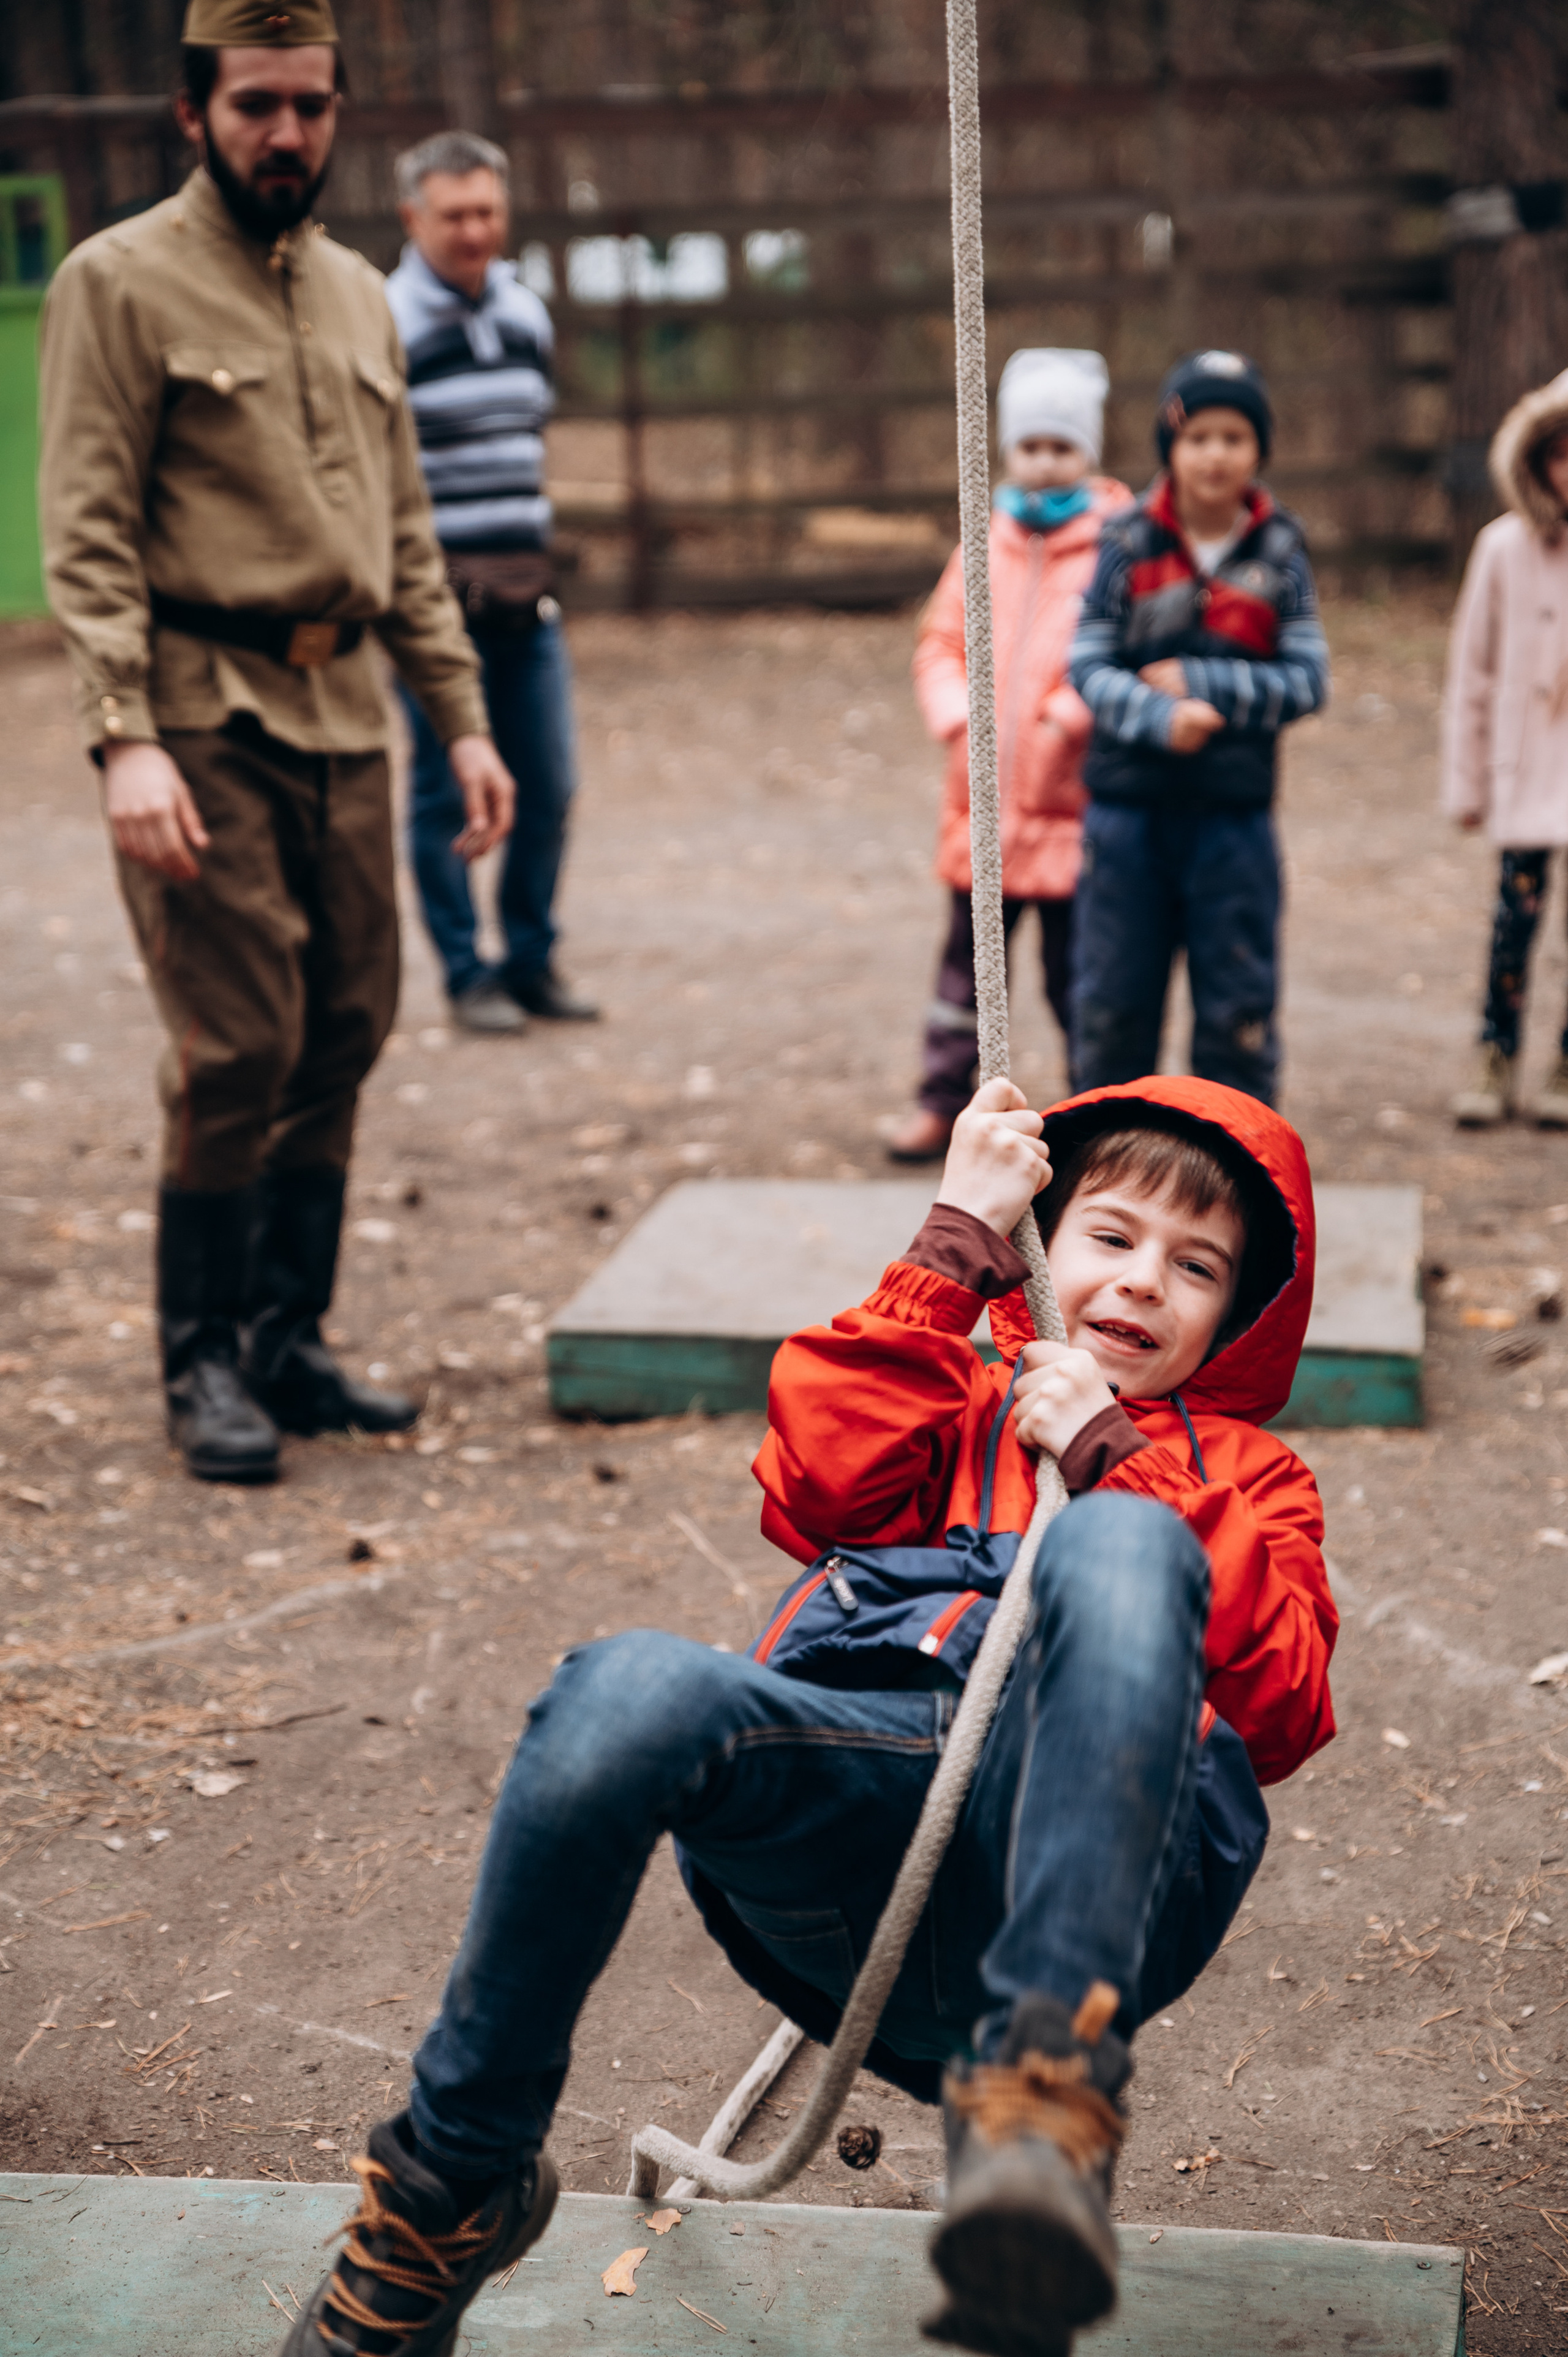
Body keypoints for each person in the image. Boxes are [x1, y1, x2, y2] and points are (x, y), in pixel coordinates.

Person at [277, 1071, 1336, 2357]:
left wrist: (1117, 1459)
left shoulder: (1252, 1478)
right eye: (1107, 1237)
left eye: (1194, 1267)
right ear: (1044, 1249)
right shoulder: (955, 1395)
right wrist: (952, 1240)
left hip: (1091, 1874)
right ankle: (452, 2185)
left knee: (1121, 1548)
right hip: (861, 1825)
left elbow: (1281, 1703)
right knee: (621, 1687)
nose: (1138, 1283)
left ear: (1232, 1318)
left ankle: (1039, 2110)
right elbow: (812, 1474)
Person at [37, 0, 515, 1486]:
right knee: (237, 1038)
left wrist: (464, 715)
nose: (286, 133)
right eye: (255, 105)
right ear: (195, 114)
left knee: (348, 1022)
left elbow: (409, 533)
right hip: (199, 710)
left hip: (340, 711)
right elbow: (90, 529)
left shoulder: (364, 295)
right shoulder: (115, 282)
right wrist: (123, 737)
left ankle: (286, 1339)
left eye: (309, 105)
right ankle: (201, 1366)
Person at [1066, 352, 1330, 1106]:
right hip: (1127, 819)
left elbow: (1308, 680)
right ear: (1170, 448)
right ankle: (1105, 1175)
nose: (1215, 455)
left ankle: (1237, 1184)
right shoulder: (1125, 543)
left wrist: (1203, 684)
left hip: (1233, 822)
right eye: (1198, 437)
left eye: (1234, 437)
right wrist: (1158, 717)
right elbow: (1086, 663)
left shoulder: (1280, 551)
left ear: (1258, 451)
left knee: (1236, 1014)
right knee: (1113, 1008)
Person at [888, 350, 1131, 1162]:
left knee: (1077, 977)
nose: (1045, 462)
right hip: (982, 808)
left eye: (1063, 447)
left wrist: (1070, 713)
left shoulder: (1112, 548)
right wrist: (957, 717)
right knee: (964, 973)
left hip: (1070, 810)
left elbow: (1118, 653)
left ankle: (1092, 1112)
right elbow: (939, 643)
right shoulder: (981, 542)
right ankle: (942, 1099)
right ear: (1008, 451)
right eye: (1031, 446)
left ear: (1089, 454)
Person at [385, 131, 597, 1035]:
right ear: (413, 217)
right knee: (444, 789)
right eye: (455, 214)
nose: (475, 231)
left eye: (488, 212)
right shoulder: (386, 319)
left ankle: (531, 957)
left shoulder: (526, 313)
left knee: (546, 782)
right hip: (436, 606)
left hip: (527, 595)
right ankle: (466, 971)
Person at [1442, 368, 1568, 1129]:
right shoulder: (1502, 549)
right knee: (1513, 925)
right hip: (1528, 776)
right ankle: (1496, 1052)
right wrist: (1468, 782)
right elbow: (1472, 670)